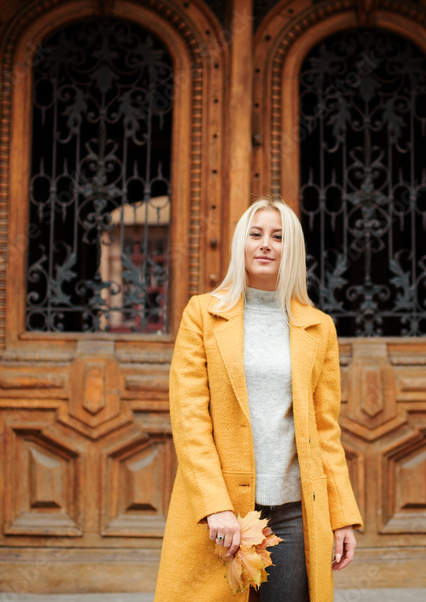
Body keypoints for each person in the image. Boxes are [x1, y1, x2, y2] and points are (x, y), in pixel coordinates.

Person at [154, 196, 362, 601]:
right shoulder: (203, 314)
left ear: (292, 249)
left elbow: (325, 432)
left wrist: (342, 517)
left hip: (294, 514)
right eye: (256, 234)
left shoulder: (319, 328)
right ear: (241, 244)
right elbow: (190, 418)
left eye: (278, 236)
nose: (266, 244)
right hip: (222, 513)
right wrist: (215, 505)